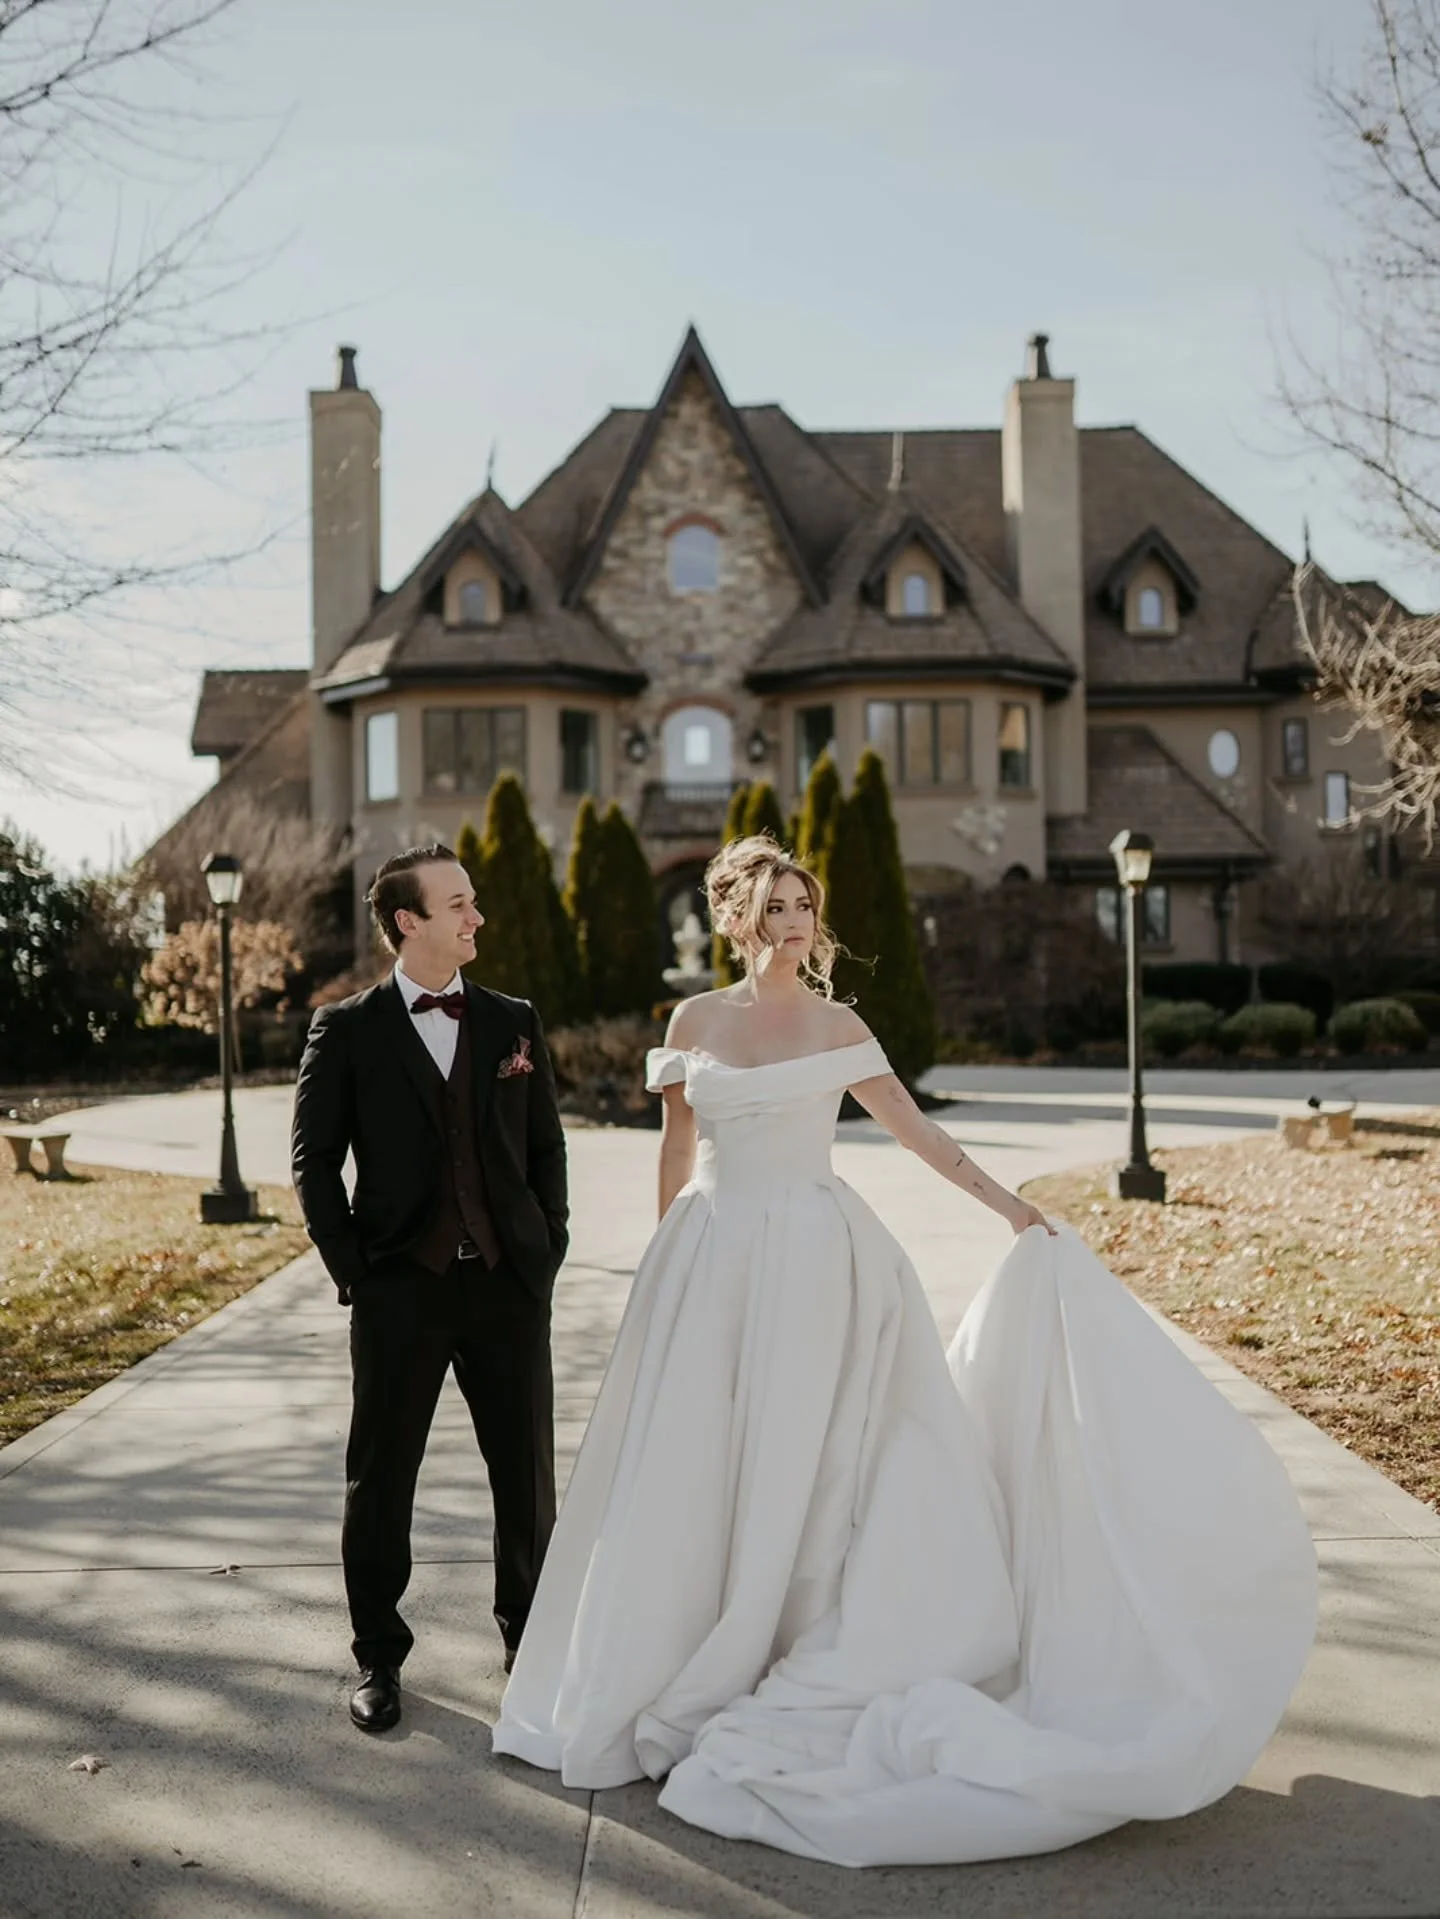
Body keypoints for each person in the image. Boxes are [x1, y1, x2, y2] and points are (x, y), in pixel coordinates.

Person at [492, 835, 1317, 1867]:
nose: (794, 920)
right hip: (710, 1254)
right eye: (775, 903)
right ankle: (674, 1648)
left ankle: (788, 1635)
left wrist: (1015, 1206)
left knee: (814, 1454)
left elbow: (920, 1134)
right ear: (736, 913)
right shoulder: (693, 1021)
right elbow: (677, 1146)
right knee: (693, 1464)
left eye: (803, 904)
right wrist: (665, 1261)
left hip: (817, 1255)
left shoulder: (841, 1023)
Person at [292, 844, 568, 1735]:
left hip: (505, 1285)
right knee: (381, 1479)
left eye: (474, 902)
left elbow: (545, 1150)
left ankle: (530, 1643)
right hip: (398, 1289)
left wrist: (544, 1252)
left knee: (524, 1477)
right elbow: (313, 1165)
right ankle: (378, 1655)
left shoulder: (514, 1020)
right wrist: (357, 1275)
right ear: (408, 922)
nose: (476, 916)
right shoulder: (347, 1028)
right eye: (458, 904)